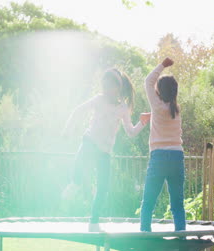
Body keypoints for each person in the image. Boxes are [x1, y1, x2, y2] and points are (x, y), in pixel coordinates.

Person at [62, 68, 150, 232]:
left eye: (110, 87)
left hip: (104, 151)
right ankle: (75, 182)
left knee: (103, 187)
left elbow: (130, 132)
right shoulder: (98, 100)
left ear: (118, 88)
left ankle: (93, 222)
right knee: (81, 161)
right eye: (104, 87)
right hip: (90, 142)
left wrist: (142, 123)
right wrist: (67, 130)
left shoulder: (123, 108)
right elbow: (78, 110)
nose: (107, 91)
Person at [140, 57, 186, 232]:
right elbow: (163, 117)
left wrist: (162, 65)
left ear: (159, 92)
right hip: (176, 157)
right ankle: (181, 241)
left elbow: (148, 81)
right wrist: (151, 115)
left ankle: (144, 240)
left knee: (148, 202)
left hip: (159, 157)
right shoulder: (176, 109)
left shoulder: (157, 106)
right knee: (177, 205)